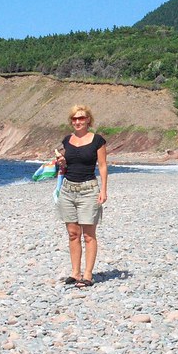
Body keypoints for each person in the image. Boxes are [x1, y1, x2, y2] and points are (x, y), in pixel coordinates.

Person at [54, 104, 108, 288]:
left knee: (88, 235)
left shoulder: (97, 140)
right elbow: (67, 165)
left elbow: (102, 166)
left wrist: (104, 190)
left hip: (88, 190)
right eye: (75, 119)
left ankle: (87, 274)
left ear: (88, 120)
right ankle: (75, 273)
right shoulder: (67, 140)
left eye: (81, 118)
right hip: (68, 190)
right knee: (72, 234)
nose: (78, 121)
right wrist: (62, 162)